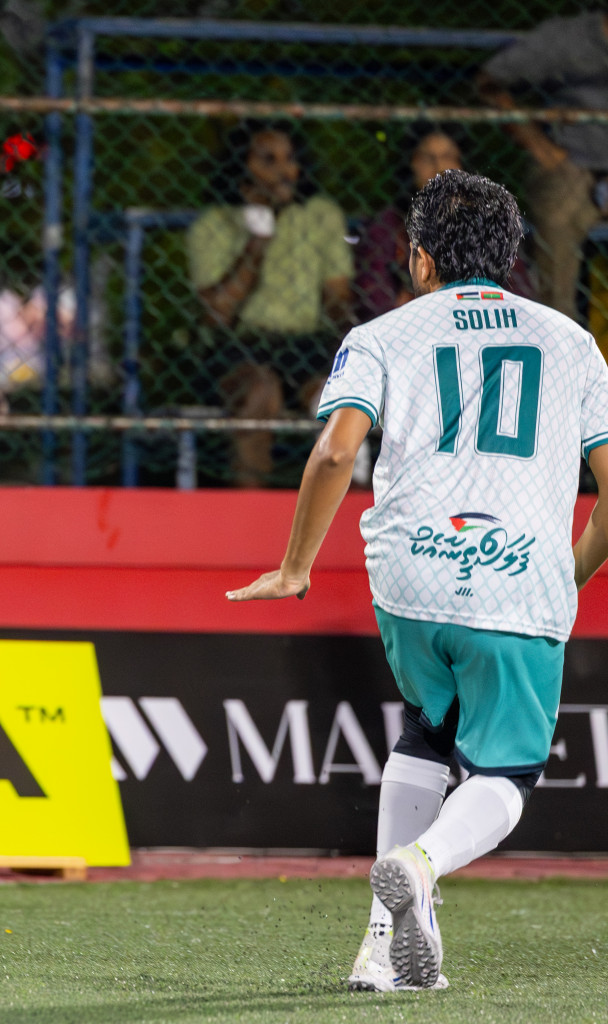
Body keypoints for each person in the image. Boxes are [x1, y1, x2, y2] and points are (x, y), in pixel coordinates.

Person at [227, 169, 608, 990]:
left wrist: (295, 567)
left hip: (407, 581)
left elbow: (335, 451)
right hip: (515, 582)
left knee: (426, 732)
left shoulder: (380, 335)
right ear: (510, 258)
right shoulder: (571, 342)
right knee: (504, 777)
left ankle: (382, 952)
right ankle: (423, 861)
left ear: (421, 259)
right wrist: (564, 576)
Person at [187, 122, 354, 486]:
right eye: (268, 160)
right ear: (241, 167)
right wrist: (257, 239)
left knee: (339, 403)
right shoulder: (214, 224)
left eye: (290, 160)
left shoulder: (319, 215)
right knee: (262, 393)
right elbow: (218, 314)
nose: (284, 171)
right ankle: (250, 518)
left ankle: (353, 528)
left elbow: (337, 298)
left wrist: (356, 342)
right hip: (240, 346)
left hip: (307, 343)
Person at [478, 12, 608, 322]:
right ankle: (561, 342)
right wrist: (538, 143)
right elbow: (488, 81)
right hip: (574, 166)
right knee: (560, 212)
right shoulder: (570, 36)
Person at [355, 125, 533, 321]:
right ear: (412, 164)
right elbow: (374, 296)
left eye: (448, 157)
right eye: (428, 158)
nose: (439, 167)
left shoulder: (488, 222)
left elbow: (518, 293)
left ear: (463, 166)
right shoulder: (390, 224)